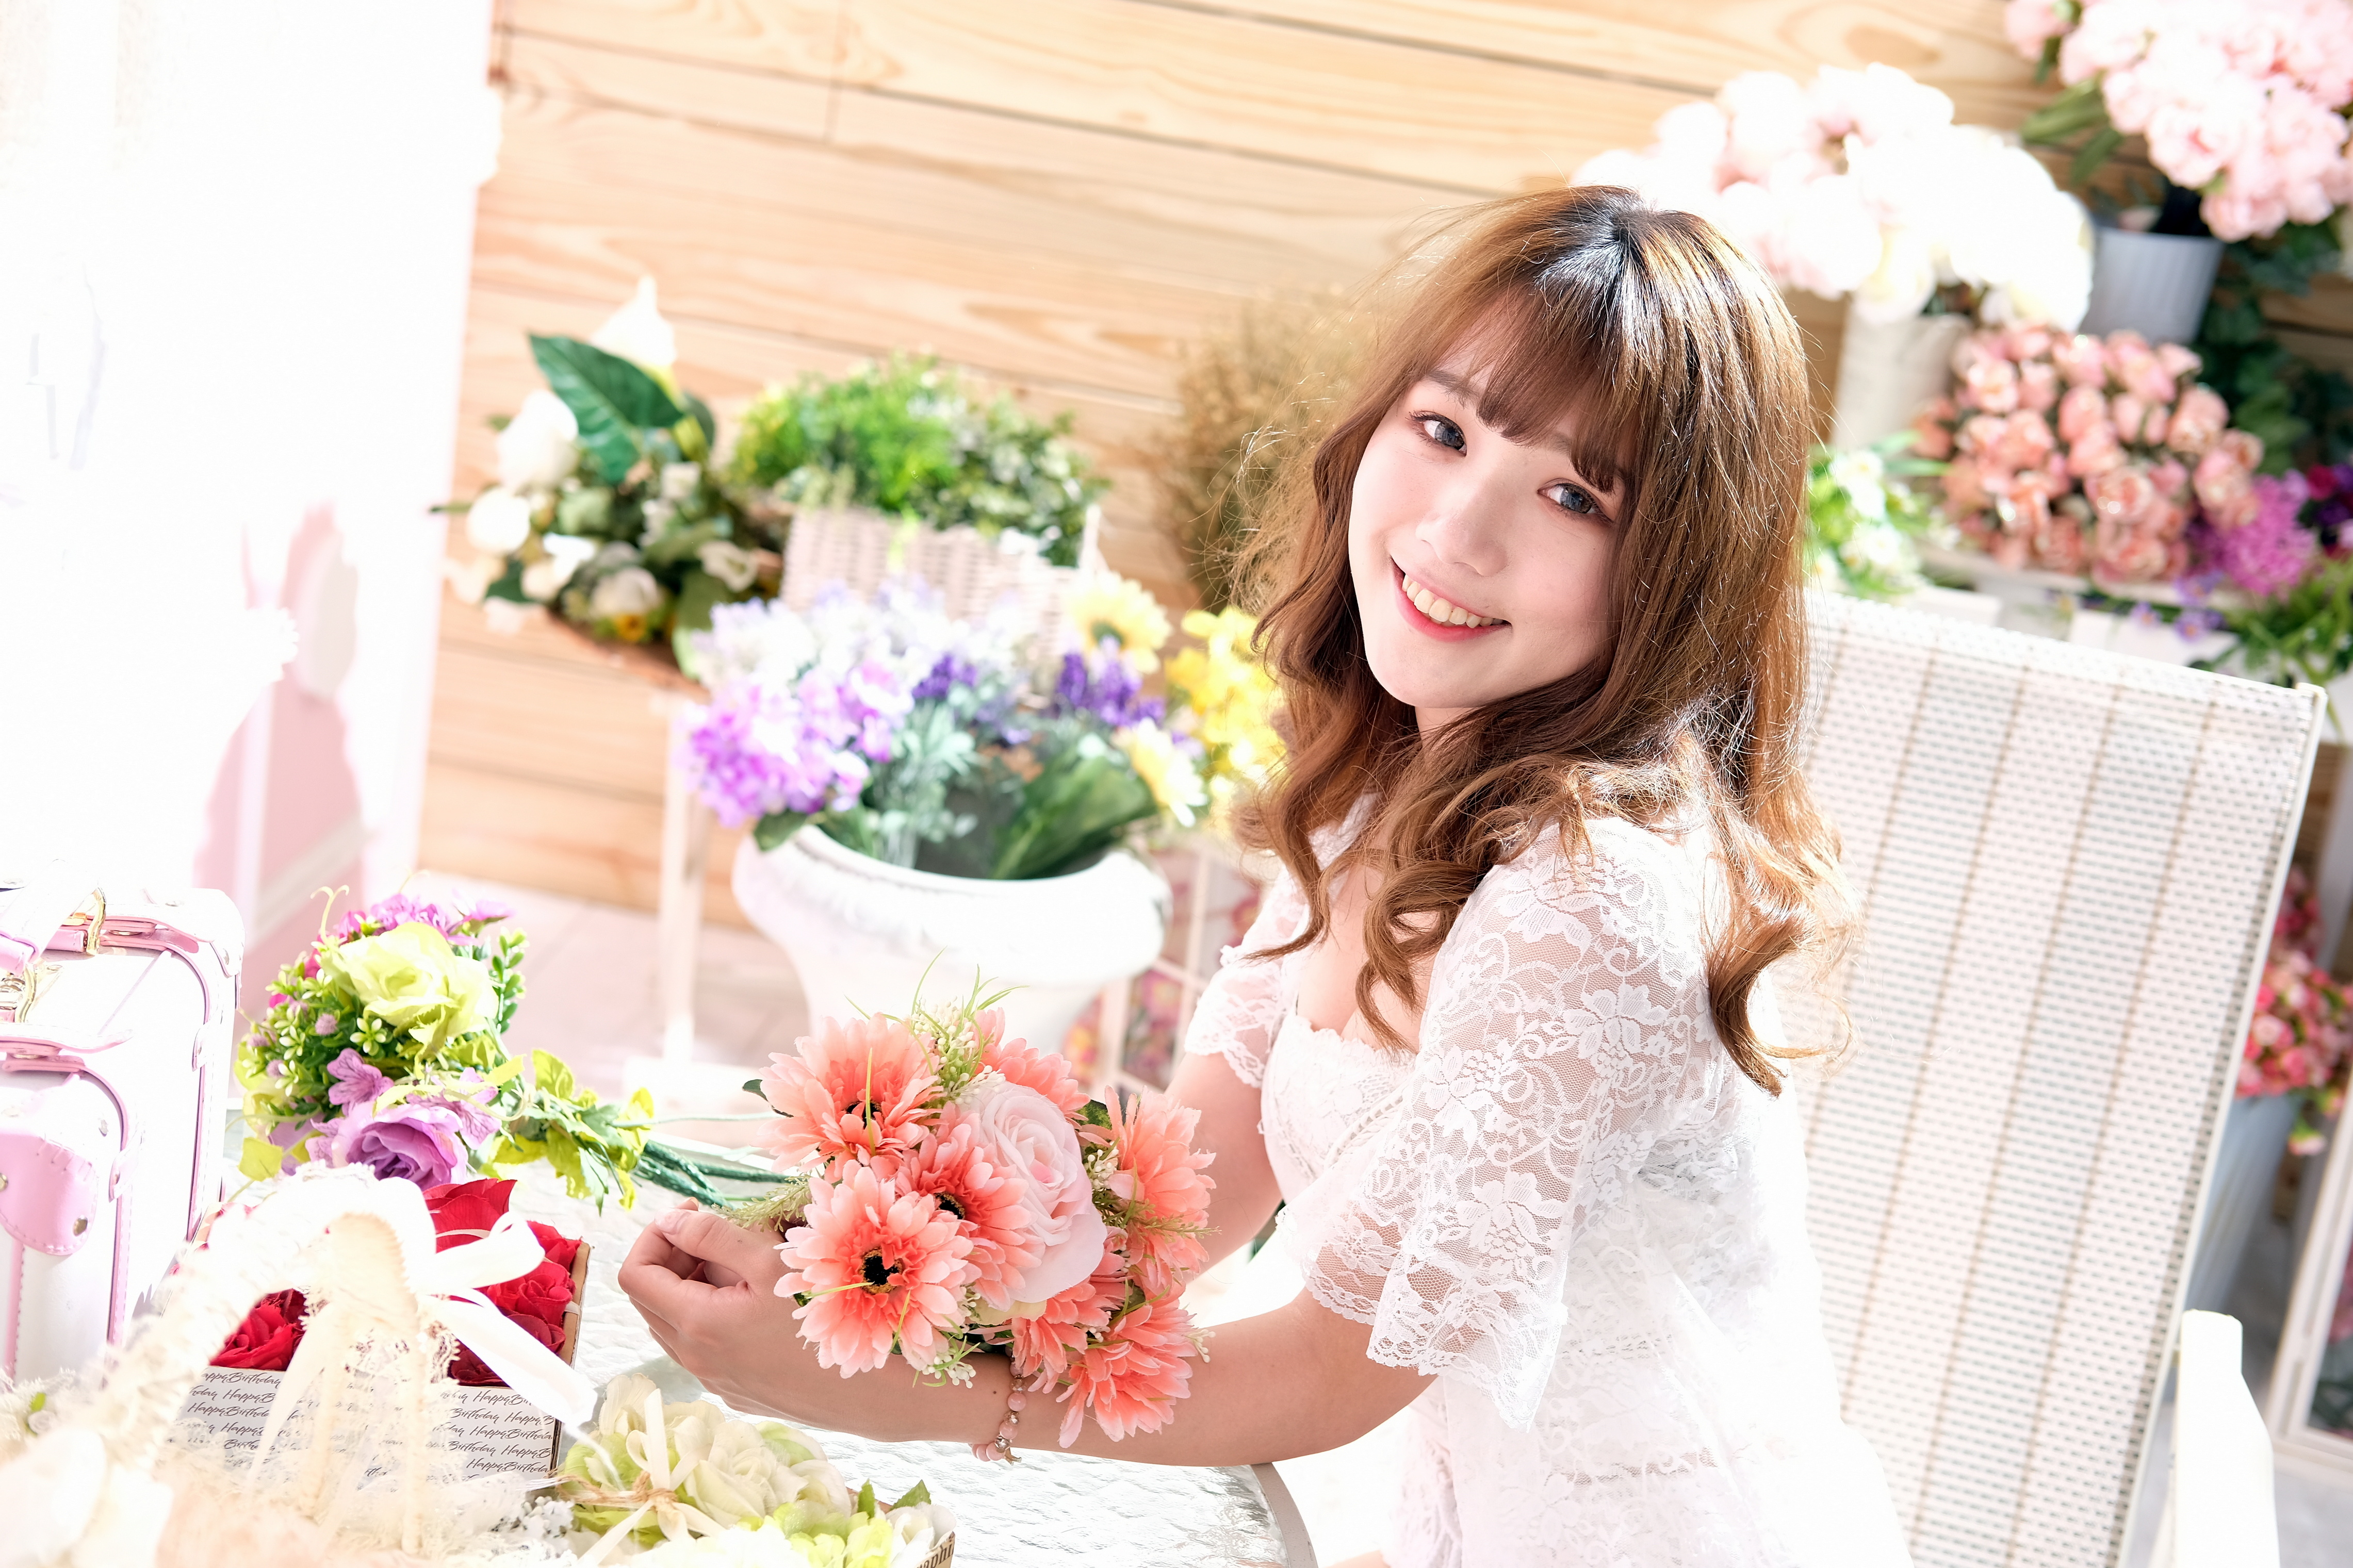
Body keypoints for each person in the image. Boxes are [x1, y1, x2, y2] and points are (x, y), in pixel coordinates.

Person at [620, 184, 1911, 1567]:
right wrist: (845, 1264)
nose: (1458, 530)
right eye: (1443, 429)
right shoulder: (1393, 785)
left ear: (1677, 566)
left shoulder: (1589, 901)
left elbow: (1333, 1369)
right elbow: (1168, 1209)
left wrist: (922, 1401)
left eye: (1571, 495)